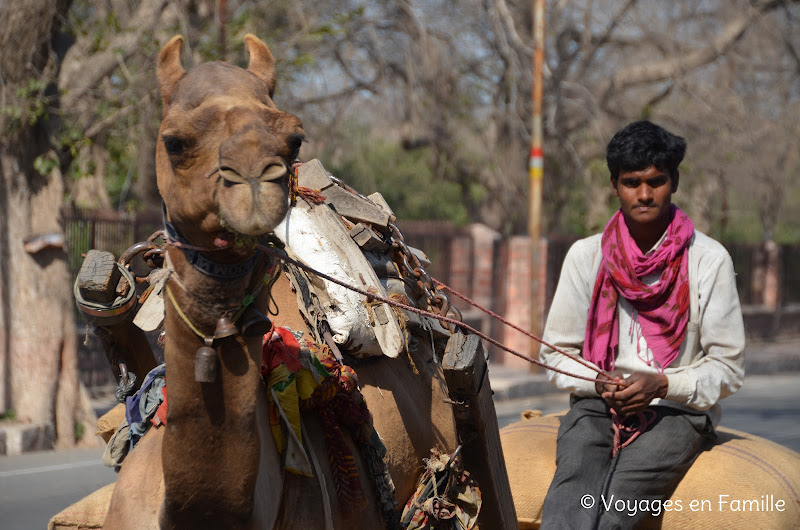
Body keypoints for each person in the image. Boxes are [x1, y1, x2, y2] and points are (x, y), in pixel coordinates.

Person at [539, 120, 745, 529]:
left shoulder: (708, 259)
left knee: (620, 508)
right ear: (614, 185)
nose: (645, 194)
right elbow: (555, 355)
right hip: (597, 406)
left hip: (677, 411)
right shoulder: (586, 256)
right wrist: (599, 381)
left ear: (675, 181)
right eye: (632, 182)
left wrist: (662, 384)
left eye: (656, 181)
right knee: (568, 504)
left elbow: (728, 368)